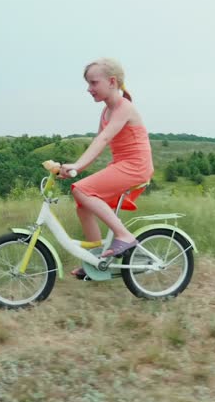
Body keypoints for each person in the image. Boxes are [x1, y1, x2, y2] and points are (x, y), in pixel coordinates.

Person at [59, 58, 154, 277]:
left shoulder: (124, 108)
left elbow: (103, 140)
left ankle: (124, 235)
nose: (88, 89)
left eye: (93, 83)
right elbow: (99, 143)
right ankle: (93, 262)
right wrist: (77, 168)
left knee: (81, 190)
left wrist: (77, 166)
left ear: (112, 82)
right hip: (123, 164)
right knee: (82, 205)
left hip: (135, 166)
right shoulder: (106, 111)